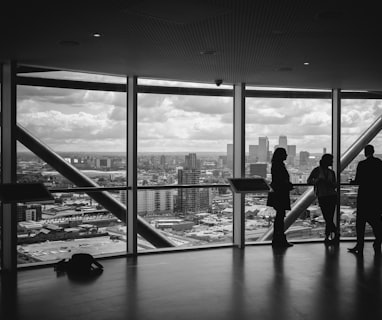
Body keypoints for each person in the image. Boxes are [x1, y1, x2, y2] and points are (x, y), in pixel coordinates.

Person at [348, 145, 382, 255]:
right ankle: (378, 242)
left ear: (365, 152)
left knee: (360, 223)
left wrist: (352, 182)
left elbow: (358, 180)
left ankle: (360, 245)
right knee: (376, 222)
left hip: (364, 196)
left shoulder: (362, 164)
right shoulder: (379, 163)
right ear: (373, 151)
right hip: (376, 197)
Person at [307, 154, 338, 245]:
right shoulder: (328, 172)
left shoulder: (324, 171)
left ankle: (328, 236)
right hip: (328, 196)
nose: (332, 162)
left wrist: (319, 181)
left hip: (325, 196)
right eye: (331, 160)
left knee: (328, 217)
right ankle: (333, 233)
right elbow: (309, 181)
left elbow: (334, 185)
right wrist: (319, 181)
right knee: (328, 217)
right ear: (326, 161)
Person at [267, 147, 294, 247]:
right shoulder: (279, 166)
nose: (286, 155)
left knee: (279, 217)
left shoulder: (276, 165)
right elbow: (281, 180)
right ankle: (280, 239)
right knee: (280, 217)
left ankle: (277, 239)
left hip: (278, 193)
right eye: (285, 154)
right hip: (281, 194)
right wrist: (288, 185)